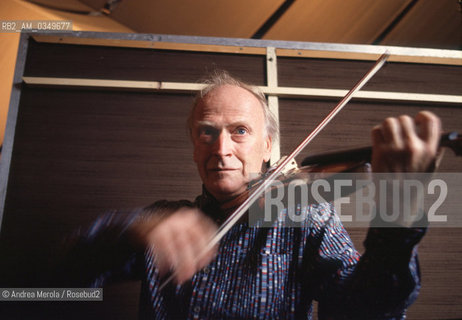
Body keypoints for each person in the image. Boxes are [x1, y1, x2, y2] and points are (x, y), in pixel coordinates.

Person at [61, 71, 441, 319]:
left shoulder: (304, 217)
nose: (221, 148)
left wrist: (399, 211)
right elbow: (68, 277)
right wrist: (130, 230)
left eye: (239, 131)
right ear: (194, 146)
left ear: (268, 147)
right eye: (206, 132)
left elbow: (372, 308)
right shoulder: (164, 220)